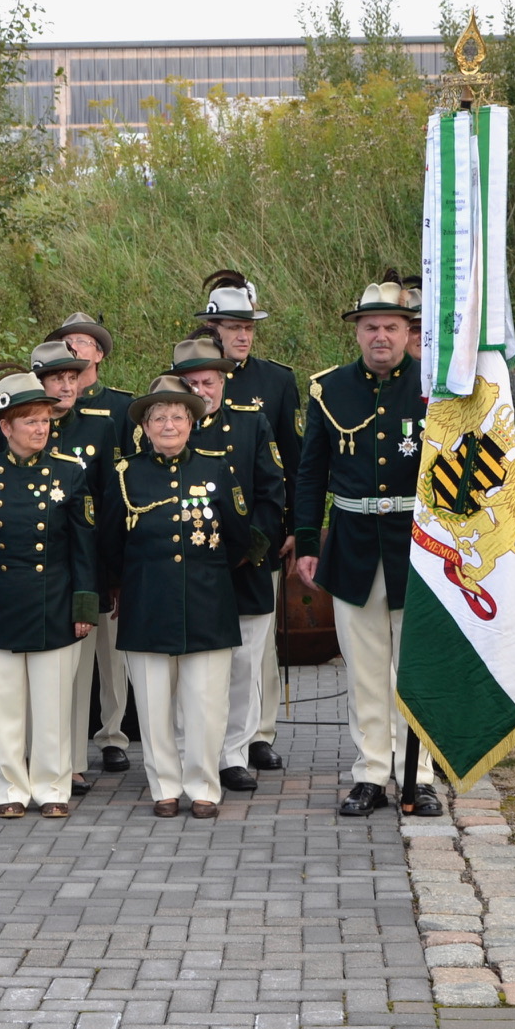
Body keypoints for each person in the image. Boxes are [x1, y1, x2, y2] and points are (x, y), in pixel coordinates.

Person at [293, 272, 440, 818]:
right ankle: (372, 773)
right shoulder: (330, 389)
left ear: (409, 332)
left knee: (414, 668)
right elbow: (311, 473)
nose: (381, 336)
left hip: (418, 548)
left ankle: (417, 776)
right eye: (371, 326)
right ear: (357, 332)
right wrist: (308, 539)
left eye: (392, 327)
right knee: (363, 669)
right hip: (353, 543)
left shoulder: (434, 385)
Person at [102, 377, 268, 818]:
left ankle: (204, 786)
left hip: (207, 601)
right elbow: (110, 541)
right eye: (160, 417)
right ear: (146, 427)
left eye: (178, 416)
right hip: (147, 602)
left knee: (206, 704)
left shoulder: (216, 468)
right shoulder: (126, 473)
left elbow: (237, 536)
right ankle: (164, 787)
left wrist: (208, 573)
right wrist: (122, 582)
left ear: (192, 423)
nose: (170, 424)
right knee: (154, 706)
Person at [0, 374, 97, 819]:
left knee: (53, 705)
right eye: (30, 421)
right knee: (3, 706)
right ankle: (10, 788)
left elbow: (84, 547)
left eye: (45, 420)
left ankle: (53, 786)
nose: (41, 429)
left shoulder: (69, 474)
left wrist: (84, 605)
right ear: (5, 427)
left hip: (53, 600)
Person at [164, 338, 286, 791]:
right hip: (189, 572)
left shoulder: (251, 424)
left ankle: (233, 754)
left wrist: (251, 548)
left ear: (222, 382)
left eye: (208, 381)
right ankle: (188, 751)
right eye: (191, 382)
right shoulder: (168, 428)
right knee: (188, 668)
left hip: (243, 567)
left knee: (242, 666)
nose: (201, 390)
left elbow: (272, 493)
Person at [196, 269, 303, 773]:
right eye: (234, 325)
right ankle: (210, 737)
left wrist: (292, 529)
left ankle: (259, 733)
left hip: (263, 532)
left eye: (250, 326)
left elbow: (294, 461)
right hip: (202, 538)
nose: (243, 334)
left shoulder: (277, 380)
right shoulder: (189, 376)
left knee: (260, 648)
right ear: (213, 328)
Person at [22, 339, 117, 795]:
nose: (66, 385)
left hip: (81, 565)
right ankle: (31, 754)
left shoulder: (99, 427)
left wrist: (111, 571)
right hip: (25, 568)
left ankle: (71, 760)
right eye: (56, 377)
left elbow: (112, 504)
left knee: (76, 672)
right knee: (27, 669)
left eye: (72, 376)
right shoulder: (19, 425)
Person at [41, 311, 134, 774]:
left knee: (111, 655)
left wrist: (116, 566)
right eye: (67, 343)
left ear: (98, 354)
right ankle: (63, 752)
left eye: (83, 344)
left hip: (99, 550)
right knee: (64, 663)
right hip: (51, 560)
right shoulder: (33, 417)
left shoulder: (113, 411)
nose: (75, 351)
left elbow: (119, 494)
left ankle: (113, 733)